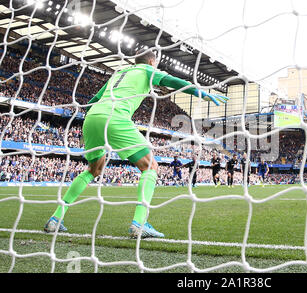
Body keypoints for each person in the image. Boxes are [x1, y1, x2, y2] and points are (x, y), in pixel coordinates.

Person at [43, 49, 228, 238]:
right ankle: (139, 223)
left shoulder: (119, 72)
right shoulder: (147, 70)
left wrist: (84, 121)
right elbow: (173, 81)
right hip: (115, 117)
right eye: (155, 63)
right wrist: (200, 92)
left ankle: (55, 219)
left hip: (92, 118)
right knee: (150, 166)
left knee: (94, 170)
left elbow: (94, 100)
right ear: (151, 61)